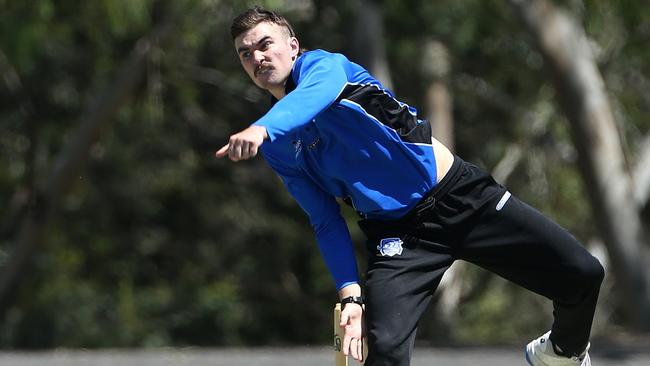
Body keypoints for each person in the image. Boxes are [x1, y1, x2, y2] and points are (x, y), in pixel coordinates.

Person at [217, 6, 604, 366]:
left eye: (265, 44)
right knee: (384, 351)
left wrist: (262, 127)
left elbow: (311, 100)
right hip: (398, 236)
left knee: (583, 274)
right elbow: (325, 220)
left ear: (292, 45)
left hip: (462, 198)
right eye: (245, 54)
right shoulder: (279, 148)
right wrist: (349, 294)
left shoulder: (327, 68)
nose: (257, 58)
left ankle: (560, 354)